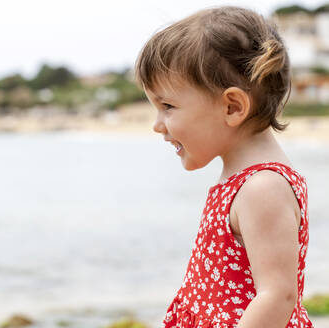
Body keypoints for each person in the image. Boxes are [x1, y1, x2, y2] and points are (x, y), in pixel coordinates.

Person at [134, 6, 313, 328]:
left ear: (232, 107)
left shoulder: (263, 186)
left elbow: (277, 295)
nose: (157, 125)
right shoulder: (244, 181)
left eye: (168, 107)